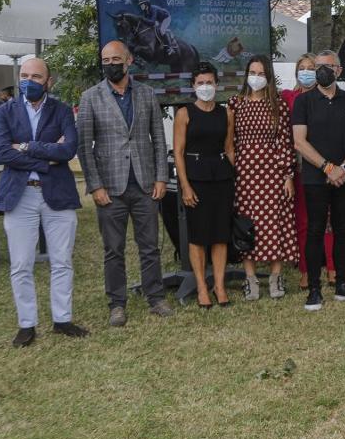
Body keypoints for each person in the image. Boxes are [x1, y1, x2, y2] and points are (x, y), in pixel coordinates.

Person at [77, 40, 174, 326]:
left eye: (115, 59)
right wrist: (95, 185)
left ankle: (155, 297)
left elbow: (158, 138)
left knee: (150, 247)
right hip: (109, 188)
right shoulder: (90, 97)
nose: (110, 64)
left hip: (145, 184)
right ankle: (117, 304)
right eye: (105, 60)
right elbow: (84, 146)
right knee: (113, 250)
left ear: (129, 60)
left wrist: (160, 177)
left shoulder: (146, 94)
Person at [0, 58, 87, 346]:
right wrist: (47, 157)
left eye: (36, 76)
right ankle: (27, 324)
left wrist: (27, 146)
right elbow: (1, 154)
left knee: (62, 261)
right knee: (21, 264)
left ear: (49, 82)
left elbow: (69, 149)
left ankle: (62, 319)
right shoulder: (4, 112)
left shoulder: (61, 111)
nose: (28, 81)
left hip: (58, 194)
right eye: (24, 75)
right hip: (20, 195)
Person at [291, 49, 345, 311]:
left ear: (339, 70)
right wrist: (327, 167)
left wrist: (343, 167)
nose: (322, 70)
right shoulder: (303, 102)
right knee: (315, 230)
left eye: (328, 66)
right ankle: (314, 289)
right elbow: (299, 141)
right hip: (315, 177)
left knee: (342, 229)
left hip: (344, 176)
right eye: (317, 66)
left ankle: (342, 283)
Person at [230, 54, 298, 300]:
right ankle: (250, 280)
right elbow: (230, 143)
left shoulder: (277, 105)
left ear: (268, 77)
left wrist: (287, 175)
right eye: (252, 73)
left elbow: (285, 142)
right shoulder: (235, 103)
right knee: (247, 227)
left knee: (275, 223)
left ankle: (275, 277)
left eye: (261, 74)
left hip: (273, 174)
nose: (256, 78)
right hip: (244, 175)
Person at [174, 64, 236, 308]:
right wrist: (185, 186)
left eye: (209, 82)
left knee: (220, 234)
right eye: (200, 83)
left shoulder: (226, 113)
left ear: (216, 84)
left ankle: (219, 286)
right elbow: (178, 153)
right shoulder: (184, 113)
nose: (205, 87)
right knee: (199, 236)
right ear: (193, 86)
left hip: (221, 177)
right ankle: (202, 287)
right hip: (195, 178)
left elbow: (229, 148)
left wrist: (241, 176)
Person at [281, 53, 336, 290]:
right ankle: (305, 270)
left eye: (311, 68)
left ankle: (332, 267)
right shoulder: (287, 98)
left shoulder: (329, 97)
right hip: (299, 168)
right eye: (301, 68)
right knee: (303, 223)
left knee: (328, 222)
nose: (306, 72)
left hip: (326, 166)